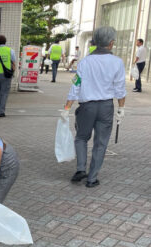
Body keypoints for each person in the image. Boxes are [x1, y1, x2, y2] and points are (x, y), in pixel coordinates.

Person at [61, 26, 126, 188]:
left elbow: (76, 85)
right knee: (101, 143)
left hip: (86, 107)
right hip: (105, 107)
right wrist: (121, 108)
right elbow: (120, 89)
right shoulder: (117, 62)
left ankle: (81, 169)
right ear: (111, 43)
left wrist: (67, 107)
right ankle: (92, 178)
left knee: (81, 137)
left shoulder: (85, 62)